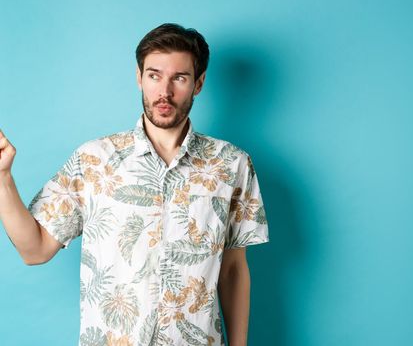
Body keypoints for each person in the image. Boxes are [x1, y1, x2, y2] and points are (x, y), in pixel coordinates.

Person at [0, 23, 269, 346]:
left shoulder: (232, 164)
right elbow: (35, 250)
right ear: (139, 77)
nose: (164, 92)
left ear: (198, 83)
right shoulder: (94, 160)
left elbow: (233, 270)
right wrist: (3, 179)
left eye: (179, 78)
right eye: (154, 75)